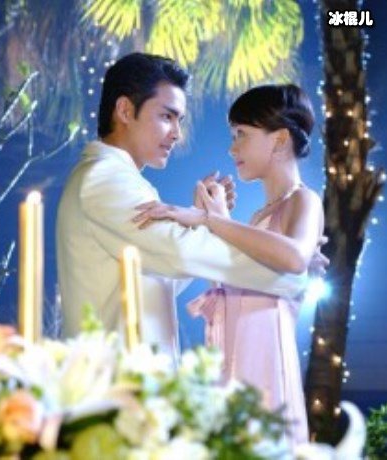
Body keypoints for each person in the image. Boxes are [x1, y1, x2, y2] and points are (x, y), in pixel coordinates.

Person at [55, 53, 311, 365]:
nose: (177, 133)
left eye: (180, 120)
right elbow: (180, 253)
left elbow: (163, 275)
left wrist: (200, 221)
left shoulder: (122, 179)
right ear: (125, 110)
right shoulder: (103, 179)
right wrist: (289, 267)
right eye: (167, 116)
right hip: (112, 382)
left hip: (137, 381)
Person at [133, 83, 322, 447]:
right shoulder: (258, 217)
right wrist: (208, 217)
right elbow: (237, 265)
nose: (232, 148)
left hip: (266, 370)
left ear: (280, 139)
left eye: (242, 135)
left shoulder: (304, 201)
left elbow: (295, 257)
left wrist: (212, 220)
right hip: (233, 366)